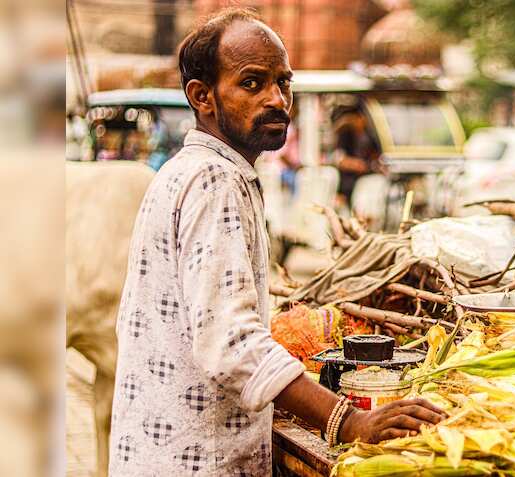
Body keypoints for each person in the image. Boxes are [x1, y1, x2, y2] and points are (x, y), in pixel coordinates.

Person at [108, 8, 444, 476]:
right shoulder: (212, 180)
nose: (277, 99)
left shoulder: (200, 172)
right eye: (252, 83)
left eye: (283, 83)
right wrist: (348, 421)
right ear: (202, 96)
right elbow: (233, 343)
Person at [332, 107, 381, 204]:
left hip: (366, 179)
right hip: (347, 182)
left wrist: (369, 166)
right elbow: (340, 160)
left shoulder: (371, 136)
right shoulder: (345, 135)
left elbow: (377, 157)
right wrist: (358, 165)